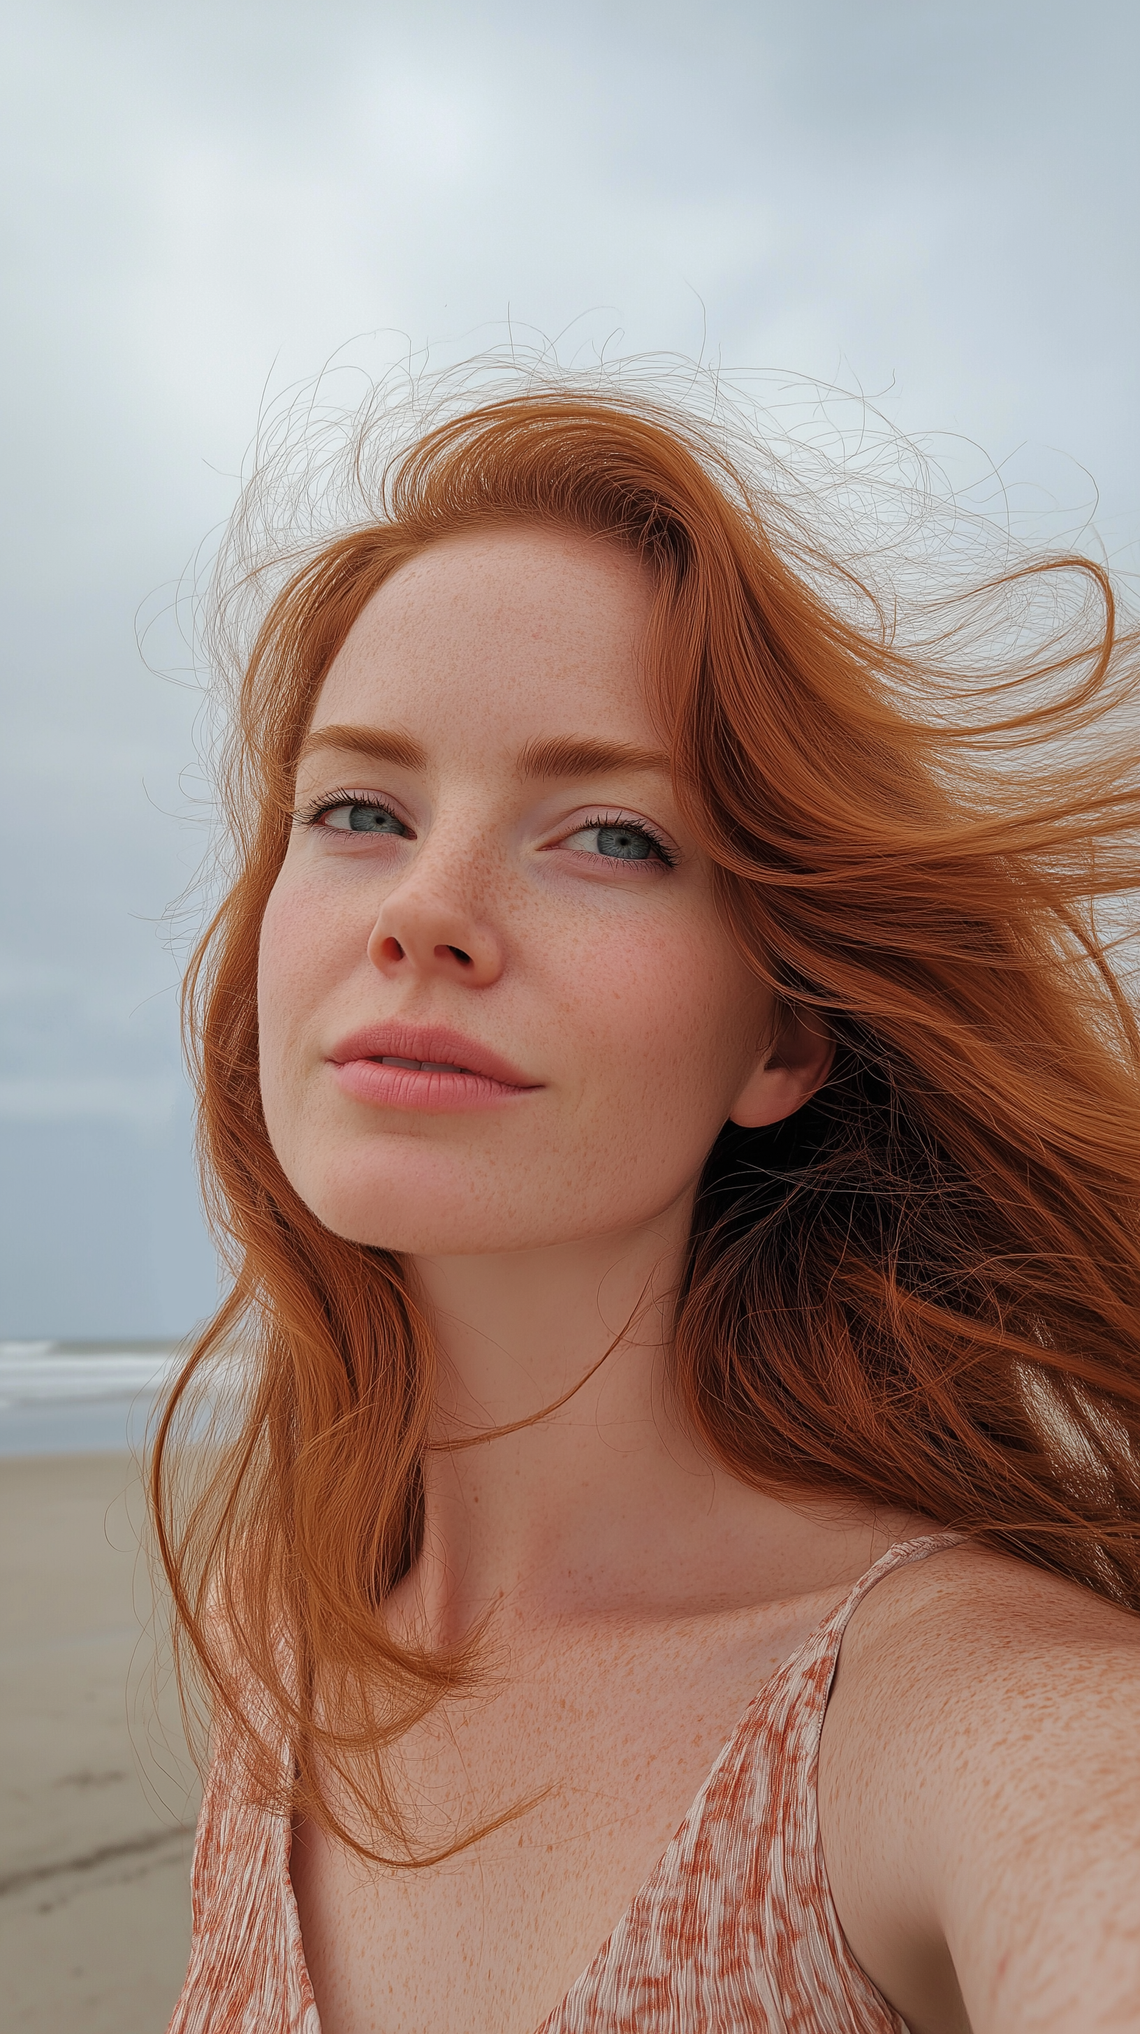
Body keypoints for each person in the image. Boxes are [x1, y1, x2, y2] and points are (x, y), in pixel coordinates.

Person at [156, 373, 1140, 2034]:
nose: (427, 910)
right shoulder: (287, 1649)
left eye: (608, 833)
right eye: (360, 809)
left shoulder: (952, 1722)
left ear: (780, 1033)